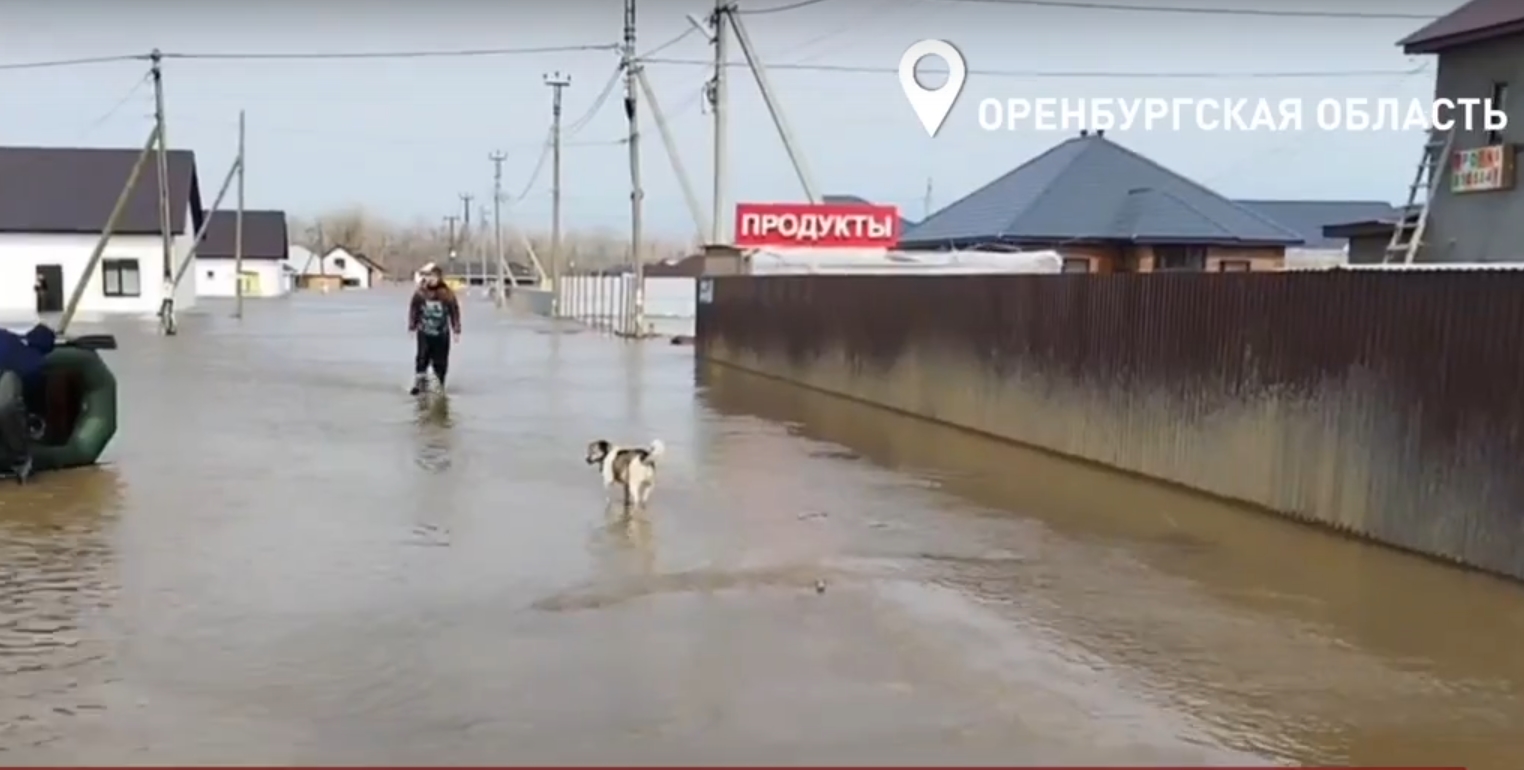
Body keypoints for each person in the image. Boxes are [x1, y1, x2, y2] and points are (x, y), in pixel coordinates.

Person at [0, 324, 57, 482]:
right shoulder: (33, 361)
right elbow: (33, 400)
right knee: (7, 408)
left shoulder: (8, 337)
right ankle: (21, 461)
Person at [407, 263, 461, 395]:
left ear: (439, 278)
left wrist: (456, 330)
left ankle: (439, 385)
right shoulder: (420, 293)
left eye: (434, 277)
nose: (431, 279)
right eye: (429, 277)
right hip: (424, 332)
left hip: (441, 333)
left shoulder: (447, 294)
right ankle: (420, 385)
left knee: (440, 362)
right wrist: (412, 326)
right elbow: (414, 310)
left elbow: (454, 311)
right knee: (421, 359)